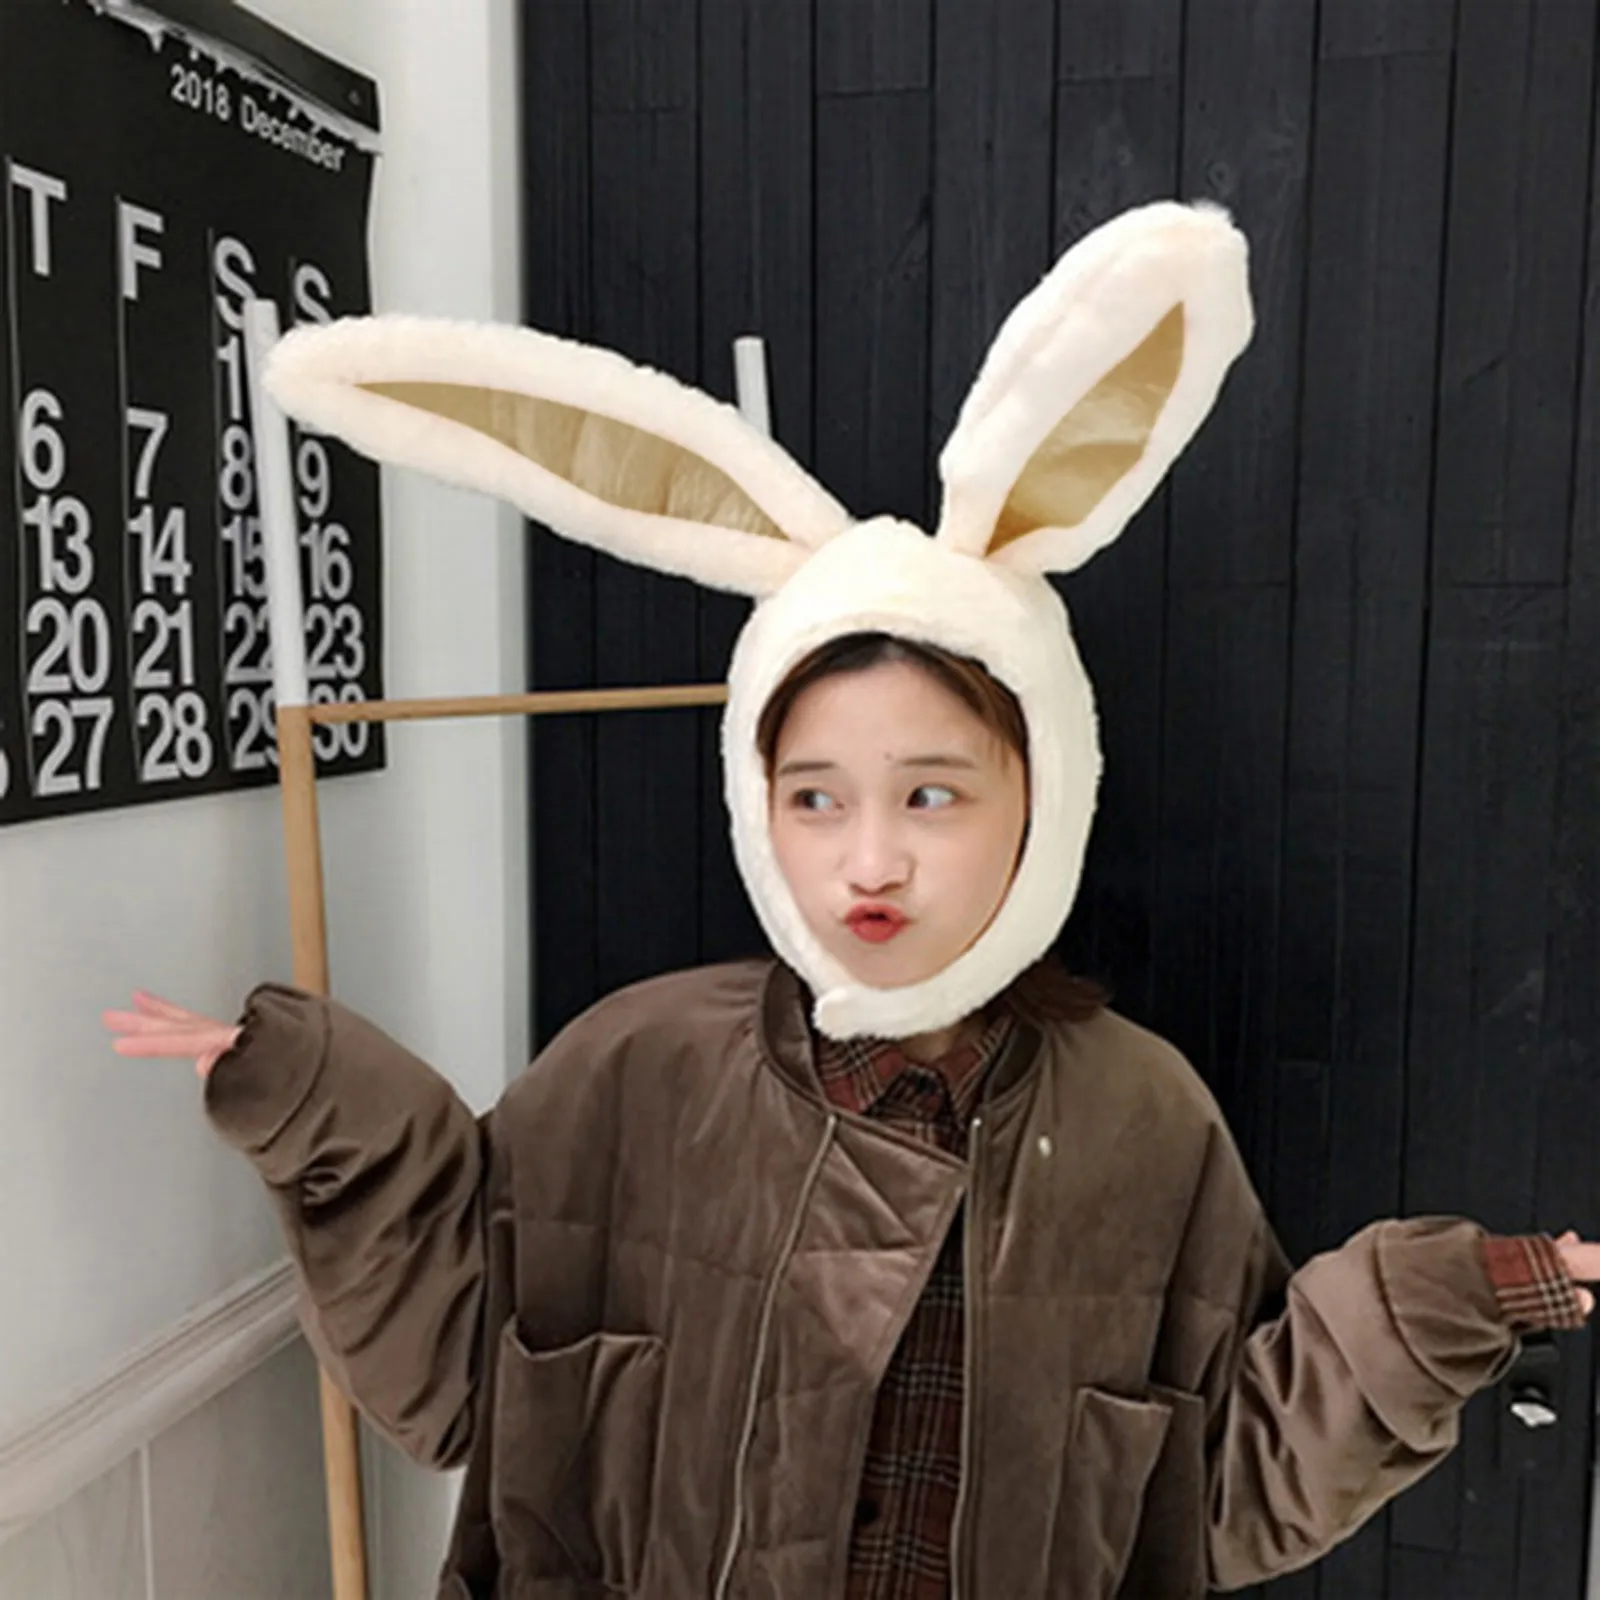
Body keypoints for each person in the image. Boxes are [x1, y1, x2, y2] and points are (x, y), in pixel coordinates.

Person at [105, 203, 1600, 1598]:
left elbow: (1226, 1485)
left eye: (931, 795)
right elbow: (452, 1374)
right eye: (815, 797)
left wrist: (1450, 1300)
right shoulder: (635, 1070)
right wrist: (322, 1099)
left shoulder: (1143, 1122)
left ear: (1044, 798)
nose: (868, 860)